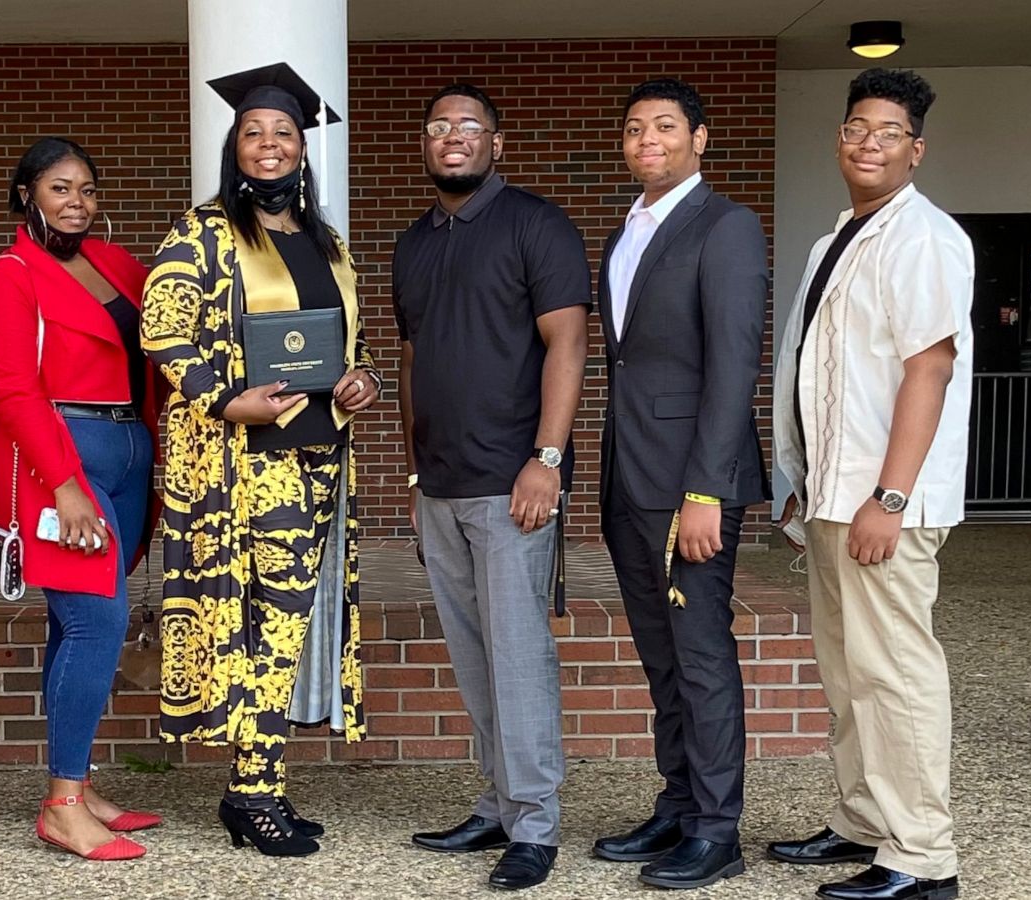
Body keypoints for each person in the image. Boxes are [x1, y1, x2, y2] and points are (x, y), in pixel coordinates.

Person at [141, 62, 380, 859]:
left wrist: (363, 379)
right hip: (245, 465)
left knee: (287, 625)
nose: (270, 145)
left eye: (284, 132)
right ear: (234, 147)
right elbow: (164, 330)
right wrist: (222, 399)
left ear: (301, 148)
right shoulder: (204, 232)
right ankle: (251, 795)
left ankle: (264, 785)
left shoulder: (326, 239)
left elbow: (353, 341)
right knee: (260, 626)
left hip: (317, 457)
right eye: (255, 133)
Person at [769, 68, 972, 900]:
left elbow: (930, 367)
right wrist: (804, 474)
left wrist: (888, 498)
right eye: (857, 127)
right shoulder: (836, 240)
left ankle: (923, 856)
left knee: (896, 674)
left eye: (888, 131)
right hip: (830, 496)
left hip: (884, 504)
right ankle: (863, 821)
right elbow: (821, 375)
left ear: (915, 151)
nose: (868, 142)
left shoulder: (925, 236)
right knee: (848, 673)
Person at [395, 83, 590, 891]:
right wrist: (414, 467)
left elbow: (568, 343)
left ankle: (536, 826)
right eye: (438, 126)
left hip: (514, 486)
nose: (452, 137)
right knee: (475, 661)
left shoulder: (535, 226)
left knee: (518, 658)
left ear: (496, 143)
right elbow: (411, 358)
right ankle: (499, 804)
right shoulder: (414, 241)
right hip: (439, 486)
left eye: (468, 126)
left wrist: (546, 457)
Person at [591, 78, 769, 891]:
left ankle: (718, 829)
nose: (647, 139)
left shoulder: (725, 226)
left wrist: (708, 490)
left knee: (700, 654)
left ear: (700, 138)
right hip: (630, 476)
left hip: (690, 485)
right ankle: (677, 805)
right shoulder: (626, 231)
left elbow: (734, 366)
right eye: (634, 129)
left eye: (665, 126)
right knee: (660, 656)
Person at [0, 137, 164, 862]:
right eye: (59, 188)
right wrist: (67, 486)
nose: (75, 201)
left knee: (73, 622)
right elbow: (13, 391)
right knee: (97, 619)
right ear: (26, 195)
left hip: (127, 449)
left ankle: (77, 786)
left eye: (85, 188)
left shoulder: (116, 265)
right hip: (59, 460)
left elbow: (164, 343)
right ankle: (61, 806)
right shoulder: (8, 276)